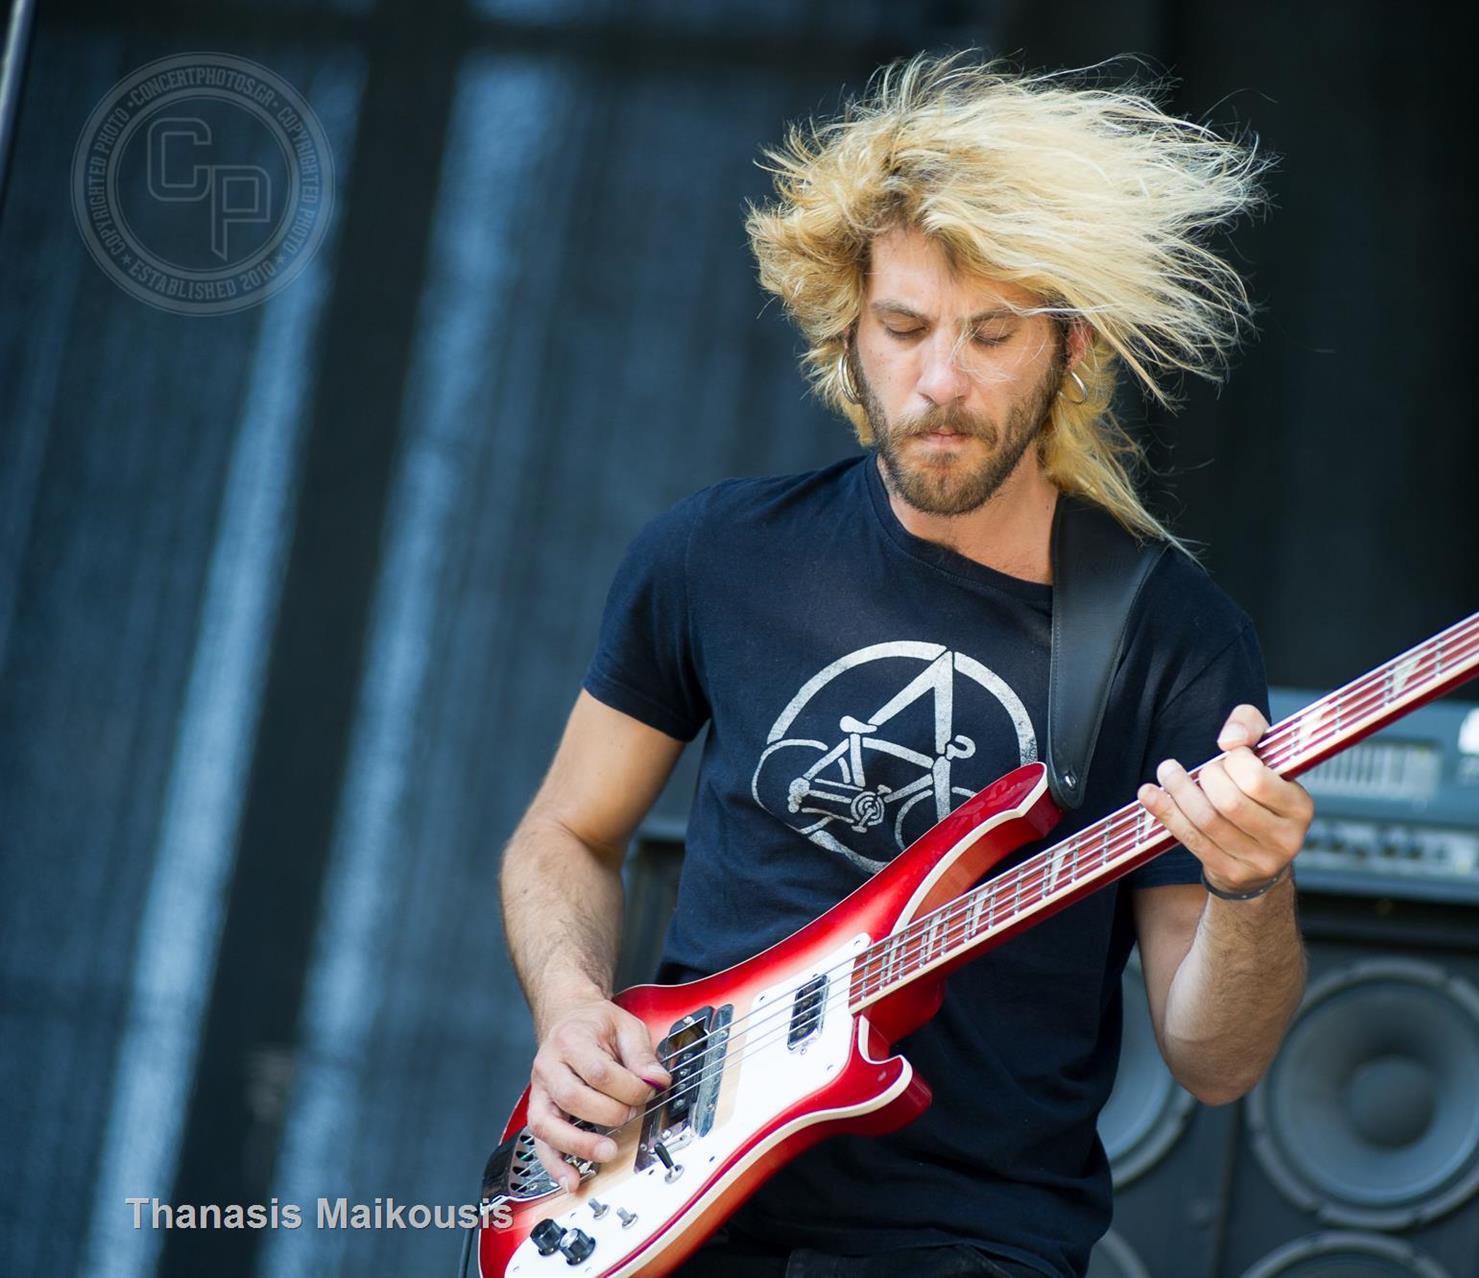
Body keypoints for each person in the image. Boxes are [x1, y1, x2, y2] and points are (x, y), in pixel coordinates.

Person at [498, 50, 1312, 1278]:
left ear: (1072, 347)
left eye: (993, 334)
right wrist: (571, 1010)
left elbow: (1215, 1060)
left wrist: (1254, 893)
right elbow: (562, 832)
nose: (942, 381)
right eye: (906, 327)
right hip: (663, 1196)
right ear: (850, 334)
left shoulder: (1170, 638)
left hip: (966, 1241)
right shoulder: (714, 553)